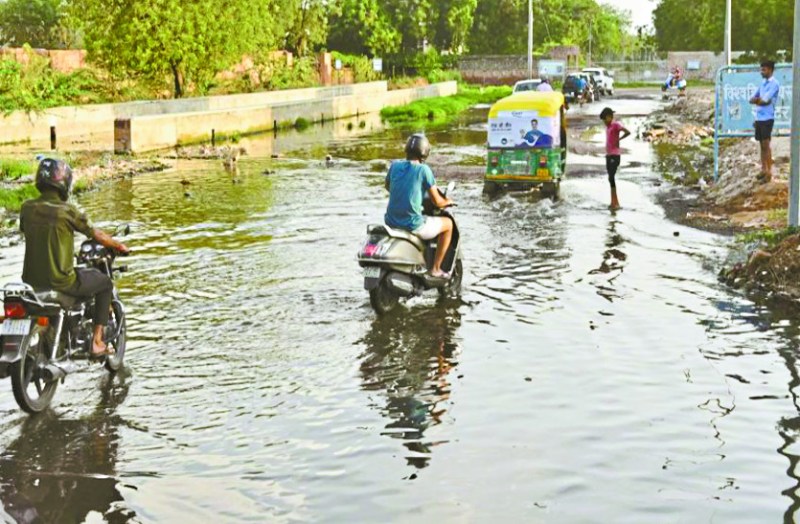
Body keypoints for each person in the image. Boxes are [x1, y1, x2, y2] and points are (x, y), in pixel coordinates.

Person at [19, 159, 129, 357]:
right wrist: (118, 245)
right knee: (104, 284)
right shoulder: (67, 211)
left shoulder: (27, 208)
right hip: (61, 281)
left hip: (31, 282)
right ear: (65, 184)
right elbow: (95, 234)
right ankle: (96, 342)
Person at [385, 134, 454, 279]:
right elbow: (437, 202)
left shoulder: (394, 166)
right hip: (412, 225)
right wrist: (447, 201)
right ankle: (435, 269)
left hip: (391, 222)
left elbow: (388, 187)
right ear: (424, 152)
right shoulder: (424, 170)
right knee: (448, 224)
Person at [749, 60, 780, 182]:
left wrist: (758, 100)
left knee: (766, 144)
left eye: (764, 70)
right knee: (761, 144)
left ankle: (769, 172)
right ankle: (763, 169)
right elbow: (752, 98)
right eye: (761, 69)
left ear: (770, 70)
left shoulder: (774, 84)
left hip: (767, 118)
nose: (762, 72)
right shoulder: (762, 83)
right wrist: (758, 100)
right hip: (759, 117)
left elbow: (765, 101)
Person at [600, 107, 631, 210]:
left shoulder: (615, 125)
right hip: (609, 155)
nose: (604, 122)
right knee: (610, 178)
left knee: (611, 177)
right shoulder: (608, 127)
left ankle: (616, 202)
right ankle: (613, 201)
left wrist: (619, 139)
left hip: (615, 155)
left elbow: (627, 132)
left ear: (609, 117)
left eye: (605, 119)